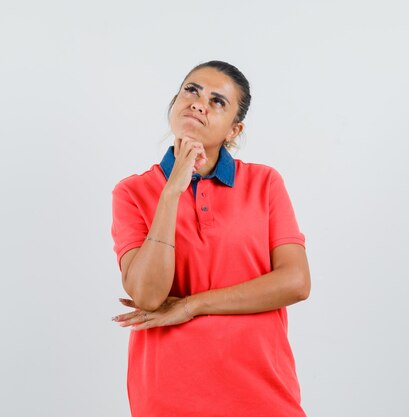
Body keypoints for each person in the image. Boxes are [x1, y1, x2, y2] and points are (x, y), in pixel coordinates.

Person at [110, 60, 311, 417]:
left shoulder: (265, 184)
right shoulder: (132, 192)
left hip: (262, 390)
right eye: (192, 90)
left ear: (235, 129)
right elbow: (148, 295)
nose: (199, 103)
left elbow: (295, 282)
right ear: (174, 102)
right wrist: (172, 190)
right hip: (169, 393)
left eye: (218, 101)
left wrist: (191, 305)